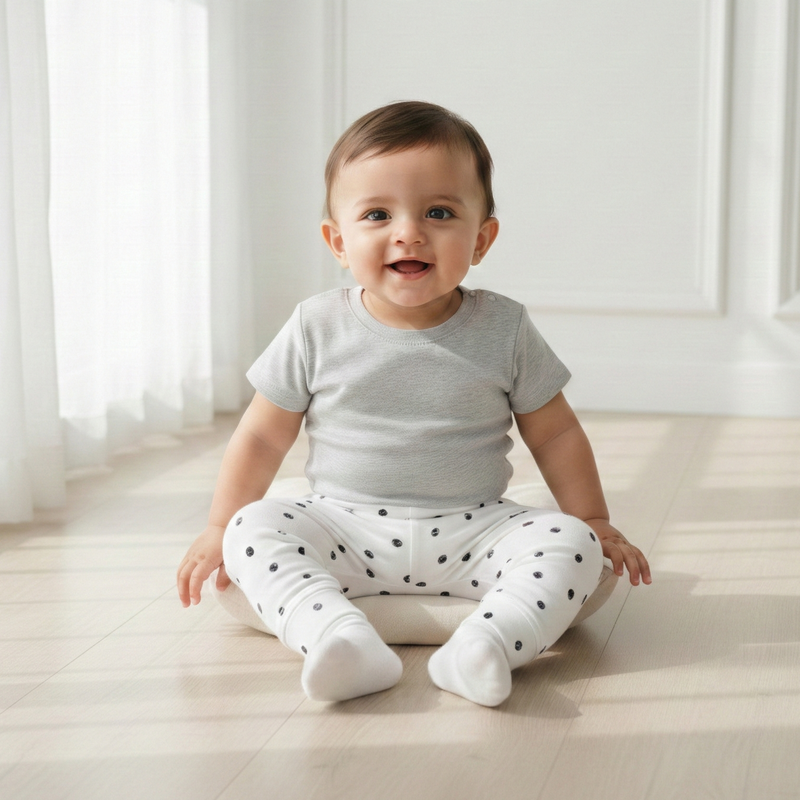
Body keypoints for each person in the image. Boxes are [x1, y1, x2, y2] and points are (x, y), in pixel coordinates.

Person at [176, 100, 651, 707]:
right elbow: (263, 436)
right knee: (253, 529)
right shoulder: (314, 326)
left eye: (439, 212)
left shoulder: (504, 328)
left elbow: (555, 435)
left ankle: (484, 645)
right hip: (344, 527)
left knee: (574, 544)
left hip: (474, 528)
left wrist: (595, 520)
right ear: (338, 241)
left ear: (482, 239)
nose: (409, 232)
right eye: (377, 214)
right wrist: (220, 525)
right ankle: (339, 639)